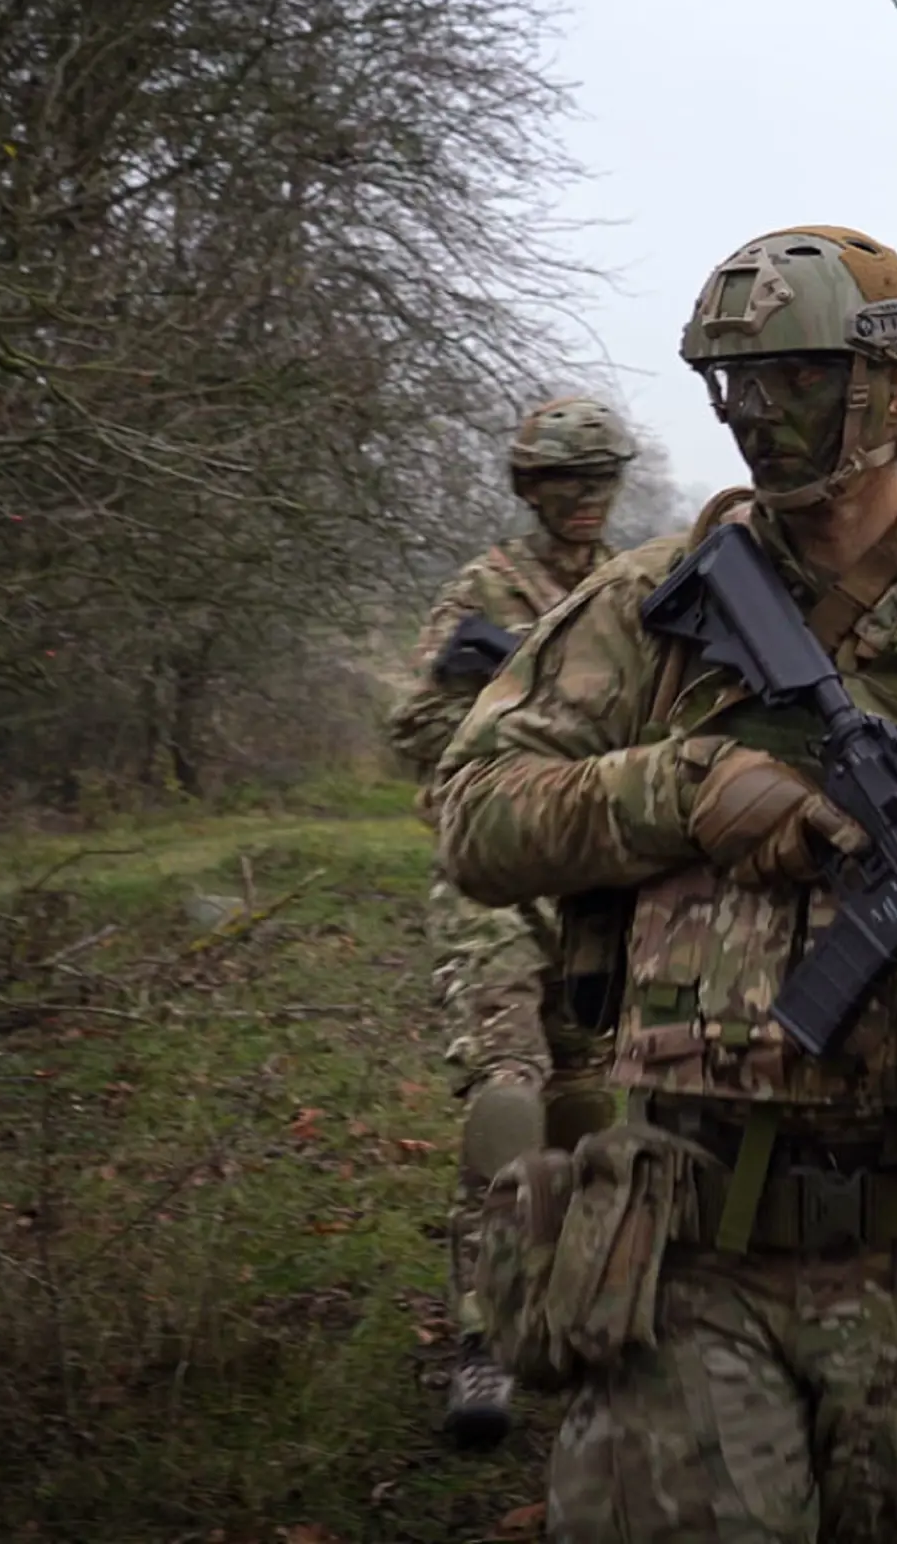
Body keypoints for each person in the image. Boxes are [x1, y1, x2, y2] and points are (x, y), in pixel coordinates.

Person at [435, 227, 897, 1541]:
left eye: (793, 377)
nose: (757, 417)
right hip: (676, 1247)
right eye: (733, 384)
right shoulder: (646, 611)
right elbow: (473, 814)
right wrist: (679, 794)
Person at [387, 393, 637, 1448]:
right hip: (495, 880)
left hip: (599, 887)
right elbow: (415, 739)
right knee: (507, 1088)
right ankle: (484, 1339)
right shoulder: (480, 592)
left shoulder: (639, 590)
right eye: (562, 484)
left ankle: (574, 1321)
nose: (582, 503)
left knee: (590, 1109)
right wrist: (480, 692)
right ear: (530, 489)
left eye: (598, 481)